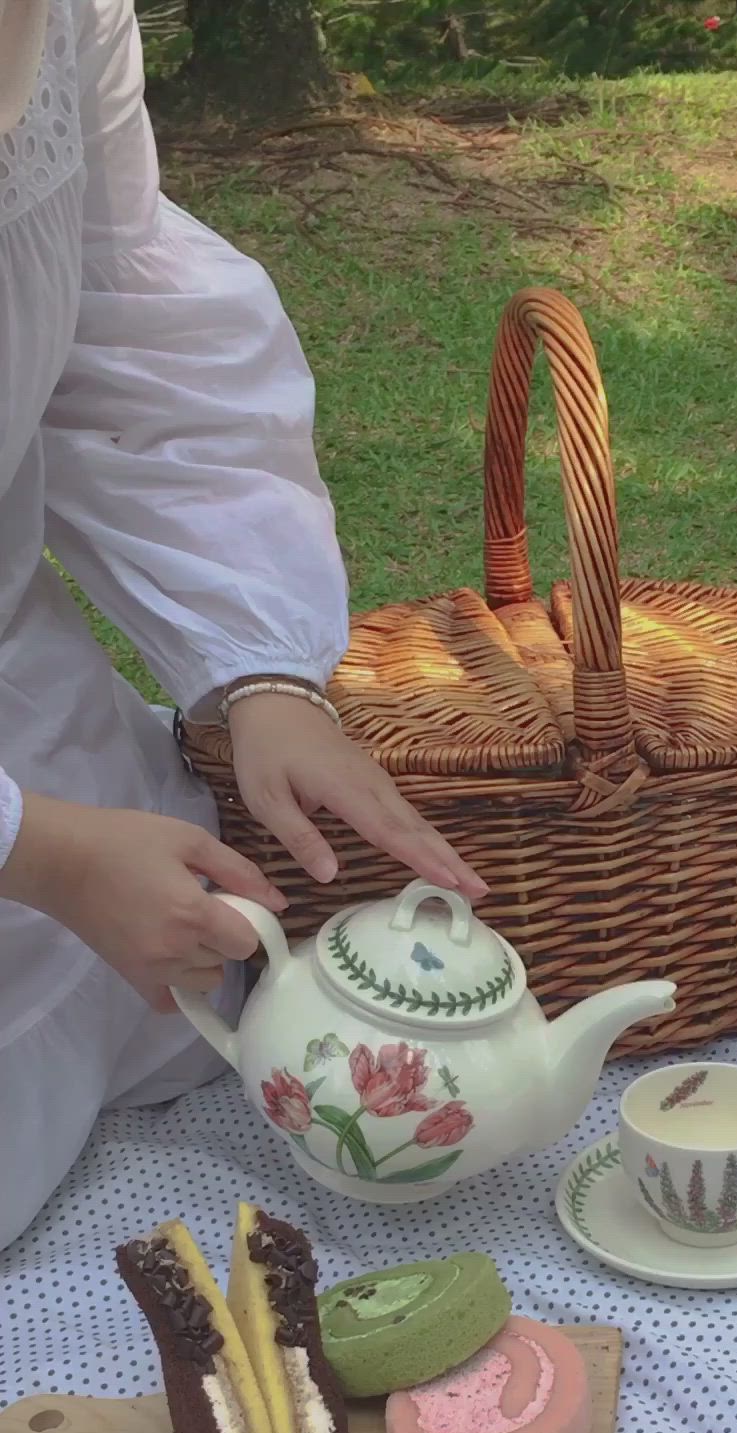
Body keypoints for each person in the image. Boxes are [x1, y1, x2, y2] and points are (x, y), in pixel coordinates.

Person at [0, 0, 485, 1250]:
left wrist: (262, 669)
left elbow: (127, 326)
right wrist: (36, 854)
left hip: (26, 708)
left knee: (192, 985)